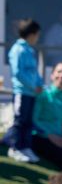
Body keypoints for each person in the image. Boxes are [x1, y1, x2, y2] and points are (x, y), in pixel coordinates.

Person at [6, 19, 43, 163]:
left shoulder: (30, 50)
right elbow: (18, 73)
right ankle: (14, 147)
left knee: (28, 121)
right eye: (37, 34)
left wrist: (40, 84)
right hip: (22, 92)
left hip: (31, 93)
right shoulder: (17, 49)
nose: (38, 38)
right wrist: (33, 86)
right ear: (32, 34)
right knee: (20, 121)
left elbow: (35, 72)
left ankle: (26, 147)